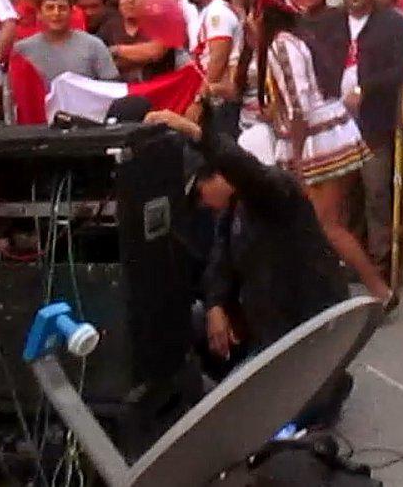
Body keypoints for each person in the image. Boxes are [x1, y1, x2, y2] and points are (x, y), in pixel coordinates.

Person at [143, 107, 352, 426]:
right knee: (196, 320)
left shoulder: (276, 194)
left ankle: (323, 390)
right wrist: (215, 306)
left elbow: (247, 170)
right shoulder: (230, 212)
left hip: (303, 324)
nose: (202, 206)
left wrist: (198, 135)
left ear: (216, 177)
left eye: (200, 195)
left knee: (246, 422)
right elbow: (219, 261)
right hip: (266, 328)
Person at [238, 0, 393, 305]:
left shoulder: (281, 45)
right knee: (329, 224)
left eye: (244, 14)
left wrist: (296, 156)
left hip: (317, 142)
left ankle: (380, 291)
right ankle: (340, 294)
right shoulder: (284, 41)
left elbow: (299, 108)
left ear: (259, 15)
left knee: (328, 226)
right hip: (326, 134)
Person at [300, 0, 403, 275]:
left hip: (374, 121)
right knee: (342, 195)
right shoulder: (330, 22)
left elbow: (401, 68)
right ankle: (349, 258)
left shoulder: (392, 23)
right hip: (335, 123)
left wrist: (365, 89)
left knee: (376, 191)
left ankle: (381, 259)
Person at [12, 0, 119, 83]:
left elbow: (112, 86)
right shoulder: (22, 50)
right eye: (50, 8)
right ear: (39, 13)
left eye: (62, 8)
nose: (56, 13)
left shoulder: (93, 45)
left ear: (71, 12)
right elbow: (14, 92)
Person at [98, 0, 177, 82]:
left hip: (160, 92)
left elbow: (155, 51)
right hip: (123, 93)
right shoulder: (109, 27)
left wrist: (115, 51)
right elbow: (98, 60)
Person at [183, 0, 241, 105]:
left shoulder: (218, 12)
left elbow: (217, 61)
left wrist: (199, 102)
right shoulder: (205, 12)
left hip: (220, 99)